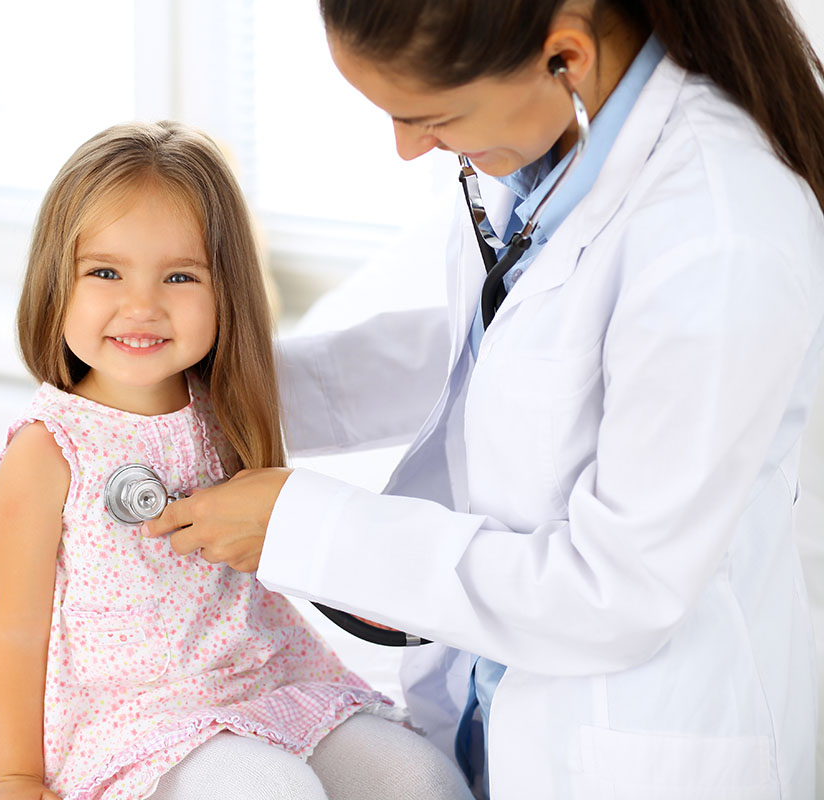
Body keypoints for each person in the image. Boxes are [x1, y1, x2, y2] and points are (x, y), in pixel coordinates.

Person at [143, 1, 824, 798]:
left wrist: (302, 524)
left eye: (429, 117)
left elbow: (617, 592)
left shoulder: (717, 232)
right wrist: (229, 392)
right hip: (482, 719)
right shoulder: (560, 159)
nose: (406, 149)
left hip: (633, 748)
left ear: (563, 54)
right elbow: (493, 348)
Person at [0, 121, 473, 800]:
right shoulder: (48, 451)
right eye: (105, 271)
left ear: (226, 290)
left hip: (262, 678)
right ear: (56, 280)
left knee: (421, 778)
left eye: (180, 276)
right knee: (270, 790)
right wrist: (17, 778)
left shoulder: (226, 413)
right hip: (137, 711)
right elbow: (17, 630)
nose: (142, 305)